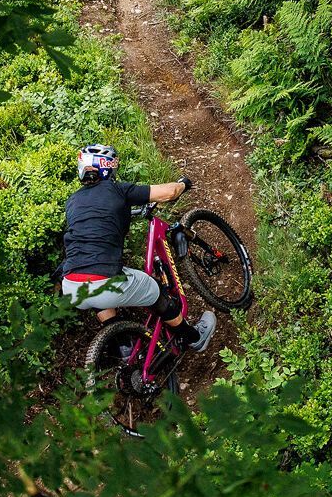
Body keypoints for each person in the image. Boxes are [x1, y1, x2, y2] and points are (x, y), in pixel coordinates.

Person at [60, 143, 217, 350]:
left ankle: (124, 348)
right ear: (107, 167)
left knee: (97, 294)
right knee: (156, 292)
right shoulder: (116, 189)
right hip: (103, 280)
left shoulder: (73, 201)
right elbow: (169, 193)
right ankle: (194, 338)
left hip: (71, 286)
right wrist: (183, 184)